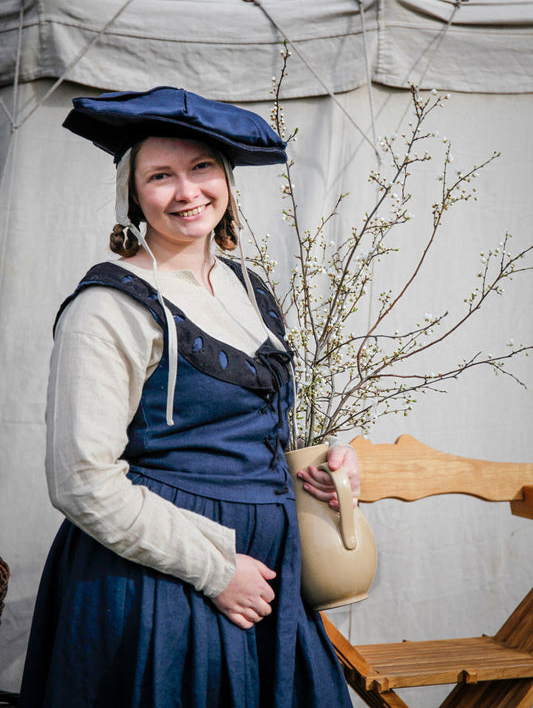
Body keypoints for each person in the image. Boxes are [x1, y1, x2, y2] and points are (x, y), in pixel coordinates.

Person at [19, 87, 359, 708]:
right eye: (161, 176)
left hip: (267, 577)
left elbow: (250, 428)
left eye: (202, 168)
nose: (186, 192)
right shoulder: (107, 308)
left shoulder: (247, 289)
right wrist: (214, 570)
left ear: (226, 178)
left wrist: (320, 468)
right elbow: (81, 481)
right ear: (132, 193)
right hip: (163, 583)